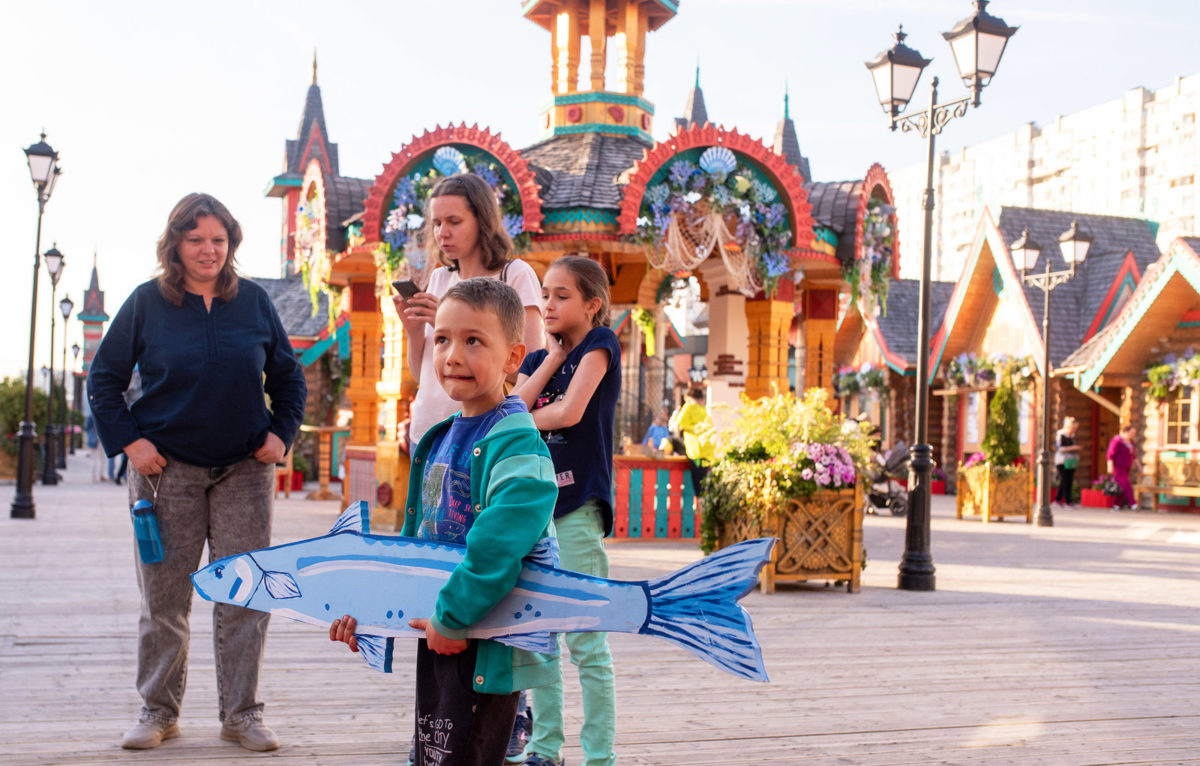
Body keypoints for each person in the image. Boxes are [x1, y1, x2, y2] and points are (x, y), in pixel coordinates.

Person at [87, 193, 307, 752]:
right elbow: (104, 380)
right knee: (164, 602)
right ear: (175, 245)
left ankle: (242, 714)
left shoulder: (254, 302)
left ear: (230, 244)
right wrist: (131, 444)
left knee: (244, 596)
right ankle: (157, 710)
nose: (208, 249)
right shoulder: (145, 304)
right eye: (196, 239)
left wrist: (281, 435)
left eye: (218, 239)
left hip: (244, 473)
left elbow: (289, 378)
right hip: (166, 474)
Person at [329, 278, 559, 766]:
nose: (453, 355)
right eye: (442, 339)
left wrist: (453, 615)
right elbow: (414, 556)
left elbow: (500, 542)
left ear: (514, 357)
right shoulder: (438, 438)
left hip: (482, 646)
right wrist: (366, 614)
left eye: (473, 340)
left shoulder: (516, 444)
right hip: (439, 635)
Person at [514, 255, 621, 766]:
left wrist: (533, 413)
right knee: (538, 638)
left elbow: (571, 411)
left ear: (591, 304)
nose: (549, 304)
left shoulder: (601, 345)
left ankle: (599, 757)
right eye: (546, 294)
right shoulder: (541, 359)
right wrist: (551, 360)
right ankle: (544, 748)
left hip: (577, 507)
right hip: (536, 512)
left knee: (586, 639)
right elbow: (512, 411)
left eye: (562, 295)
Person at [394, 173, 544, 450]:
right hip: (426, 435)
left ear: (482, 221)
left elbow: (533, 369)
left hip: (481, 436)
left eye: (454, 221)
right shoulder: (440, 279)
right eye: (437, 223)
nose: (443, 233)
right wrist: (415, 332)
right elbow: (425, 375)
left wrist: (453, 324)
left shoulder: (514, 275)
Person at [670, 388, 714, 494]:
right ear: (702, 400)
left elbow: (676, 427)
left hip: (696, 453)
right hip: (708, 454)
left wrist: (675, 416)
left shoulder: (689, 407)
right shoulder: (705, 411)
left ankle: (701, 509)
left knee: (699, 489)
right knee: (705, 486)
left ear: (689, 399)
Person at [1106, 423, 1139, 510]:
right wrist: (1110, 466)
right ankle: (1133, 503)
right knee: (1126, 484)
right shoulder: (1117, 440)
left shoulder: (1131, 442)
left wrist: (1139, 466)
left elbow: (1133, 455)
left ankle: (1116, 504)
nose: (1133, 435)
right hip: (1118, 467)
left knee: (1122, 486)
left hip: (1127, 467)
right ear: (1126, 431)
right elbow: (1110, 454)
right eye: (1131, 433)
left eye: (1134, 433)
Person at [1054, 416, 1081, 506]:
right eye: (1073, 428)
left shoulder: (1072, 436)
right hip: (1062, 460)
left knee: (1069, 480)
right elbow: (1059, 448)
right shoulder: (1061, 435)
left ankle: (1067, 500)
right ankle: (1061, 499)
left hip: (1071, 461)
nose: (1074, 431)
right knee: (1064, 479)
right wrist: (1072, 448)